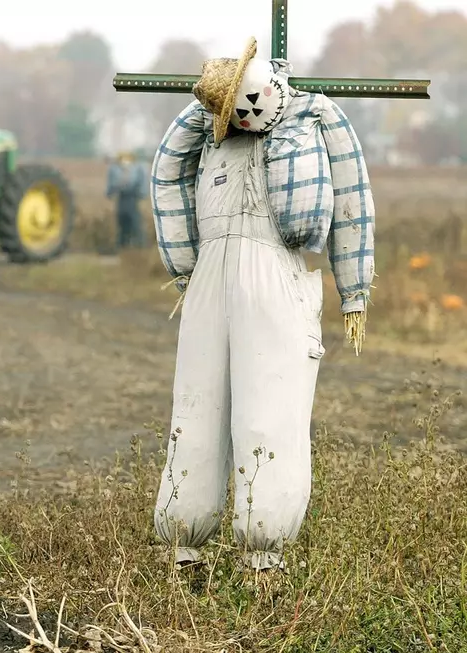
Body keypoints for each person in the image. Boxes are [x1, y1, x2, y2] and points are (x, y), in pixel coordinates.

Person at [149, 37, 374, 572]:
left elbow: (353, 200)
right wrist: (184, 269)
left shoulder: (314, 119)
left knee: (270, 410)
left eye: (248, 100)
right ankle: (183, 542)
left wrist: (355, 291)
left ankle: (264, 553)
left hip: (278, 269)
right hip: (209, 279)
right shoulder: (207, 132)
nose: (246, 115)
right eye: (233, 108)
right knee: (196, 407)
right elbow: (166, 174)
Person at [105, 151, 148, 250]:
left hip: (132, 199)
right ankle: (123, 248)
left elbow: (141, 186)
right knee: (122, 226)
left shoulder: (138, 168)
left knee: (135, 225)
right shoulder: (114, 169)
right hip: (122, 199)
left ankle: (140, 247)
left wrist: (141, 193)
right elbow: (110, 188)